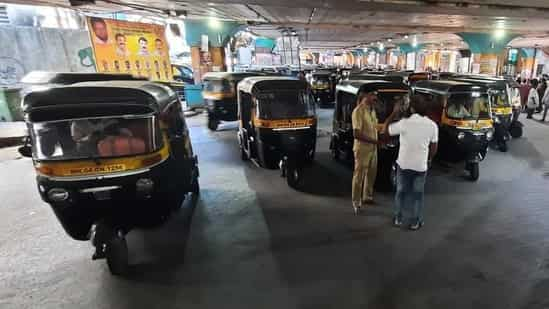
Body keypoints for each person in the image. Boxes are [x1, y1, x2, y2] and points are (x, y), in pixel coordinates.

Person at [383, 95, 438, 230]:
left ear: (411, 108)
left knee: (400, 192)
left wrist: (393, 113)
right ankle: (415, 221)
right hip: (420, 167)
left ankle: (398, 218)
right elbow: (434, 147)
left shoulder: (404, 123)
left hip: (403, 164)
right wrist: (428, 159)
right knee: (417, 195)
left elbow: (385, 131)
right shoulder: (432, 125)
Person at [351, 86, 380, 215]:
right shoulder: (358, 112)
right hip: (362, 149)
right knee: (359, 177)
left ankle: (367, 196)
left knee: (371, 174)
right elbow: (356, 134)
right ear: (365, 96)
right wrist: (375, 141)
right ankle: (356, 202)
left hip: (373, 149)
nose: (376, 98)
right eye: (373, 95)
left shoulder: (372, 111)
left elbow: (375, 127)